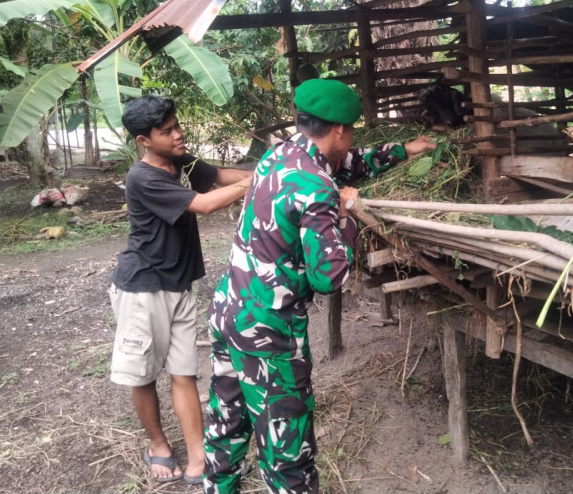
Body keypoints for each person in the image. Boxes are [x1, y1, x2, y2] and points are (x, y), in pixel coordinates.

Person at [203, 79, 435, 494]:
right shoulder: (318, 188)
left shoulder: (280, 156)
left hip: (228, 309)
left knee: (227, 426)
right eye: (351, 134)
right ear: (341, 130)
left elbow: (347, 164)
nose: (351, 142)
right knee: (288, 455)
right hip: (268, 330)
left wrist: (403, 150)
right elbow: (329, 277)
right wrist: (346, 215)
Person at [109, 95, 253, 485]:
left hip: (178, 284)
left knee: (184, 373)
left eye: (177, 125)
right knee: (143, 374)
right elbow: (205, 205)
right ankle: (157, 444)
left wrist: (264, 169)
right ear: (143, 140)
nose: (178, 134)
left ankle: (196, 457)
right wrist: (256, 183)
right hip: (143, 287)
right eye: (167, 131)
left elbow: (220, 176)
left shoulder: (181, 162)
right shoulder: (144, 177)